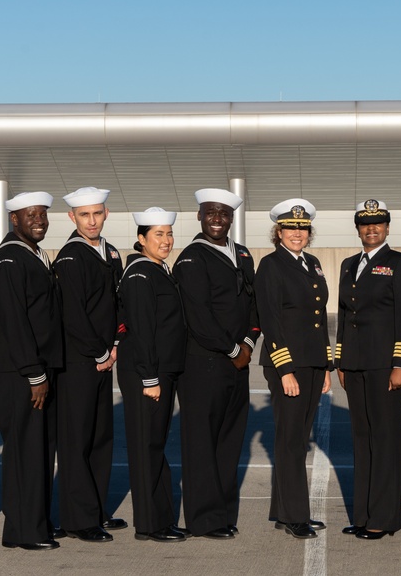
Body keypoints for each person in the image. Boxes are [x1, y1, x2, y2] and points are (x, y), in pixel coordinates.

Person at [173, 188, 260, 539]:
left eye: (224, 213)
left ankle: (222, 513)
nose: (217, 219)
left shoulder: (241, 254)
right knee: (201, 444)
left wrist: (249, 343)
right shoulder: (193, 257)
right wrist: (232, 349)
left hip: (237, 363)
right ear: (199, 216)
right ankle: (203, 520)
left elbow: (254, 305)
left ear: (232, 218)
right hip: (204, 364)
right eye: (210, 212)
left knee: (228, 441)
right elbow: (199, 315)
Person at [0, 191, 63, 551]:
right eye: (31, 215)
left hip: (37, 368)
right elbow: (14, 322)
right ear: (14, 219)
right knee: (25, 450)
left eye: (43, 215)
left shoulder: (32, 253)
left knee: (39, 449)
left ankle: (33, 524)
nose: (39, 221)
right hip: (20, 373)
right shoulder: (8, 259)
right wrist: (34, 373)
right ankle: (26, 530)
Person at [336, 199, 401, 540]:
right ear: (358, 228)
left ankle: (383, 518)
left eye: (378, 223)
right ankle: (363, 513)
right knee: (362, 439)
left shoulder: (399, 263)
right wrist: (340, 360)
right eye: (366, 224)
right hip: (354, 365)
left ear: (387, 227)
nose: (372, 229)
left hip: (385, 366)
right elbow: (343, 315)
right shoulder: (348, 264)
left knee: (384, 440)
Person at [255, 199, 332, 540]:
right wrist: (284, 370)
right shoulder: (271, 266)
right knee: (289, 440)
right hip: (288, 365)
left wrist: (325, 365)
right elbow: (271, 321)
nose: (297, 233)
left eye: (302, 228)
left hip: (312, 362)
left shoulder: (311, 263)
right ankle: (294, 515)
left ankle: (287, 511)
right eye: (290, 228)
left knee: (299, 440)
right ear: (279, 232)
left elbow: (318, 322)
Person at [52, 187, 126, 543]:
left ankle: (96, 510)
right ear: (72, 218)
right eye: (84, 215)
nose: (92, 220)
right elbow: (73, 314)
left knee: (100, 438)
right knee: (77, 441)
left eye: (97, 213)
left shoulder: (110, 252)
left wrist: (113, 345)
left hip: (103, 357)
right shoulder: (70, 256)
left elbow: (116, 303)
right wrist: (100, 352)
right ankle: (78, 519)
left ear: (106, 213)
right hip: (79, 362)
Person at [117, 207, 189, 543]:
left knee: (156, 446)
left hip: (162, 371)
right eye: (158, 234)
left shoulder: (160, 271)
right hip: (147, 374)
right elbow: (142, 329)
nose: (166, 240)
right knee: (146, 448)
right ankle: (149, 524)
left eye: (169, 234)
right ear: (141, 239)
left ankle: (160, 519)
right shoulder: (140, 275)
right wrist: (149, 379)